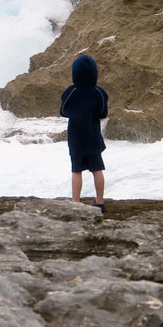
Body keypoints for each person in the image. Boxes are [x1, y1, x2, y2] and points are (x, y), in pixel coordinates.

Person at [60, 54, 109, 212]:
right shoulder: (99, 92)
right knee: (97, 170)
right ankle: (100, 202)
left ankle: (75, 203)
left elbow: (63, 111)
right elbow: (103, 113)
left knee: (76, 170)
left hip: (76, 138)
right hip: (93, 137)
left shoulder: (71, 92)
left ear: (75, 73)